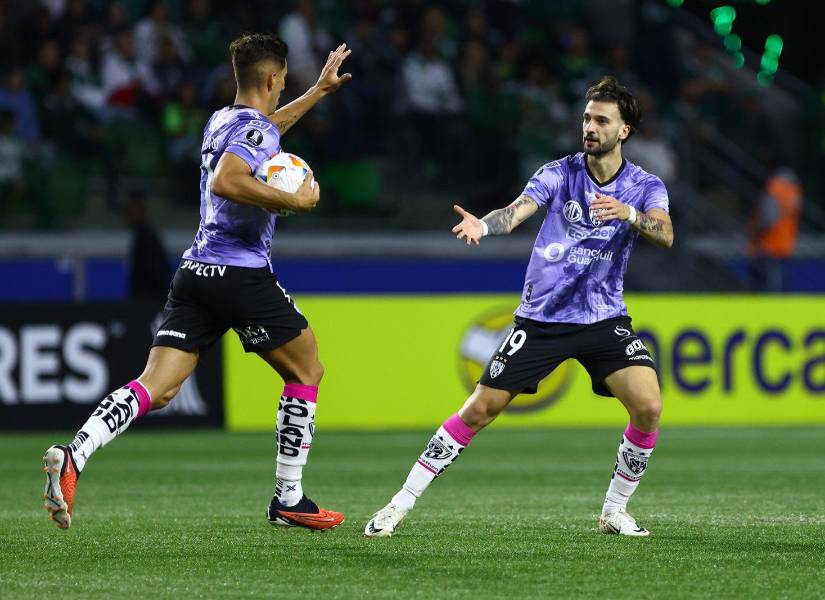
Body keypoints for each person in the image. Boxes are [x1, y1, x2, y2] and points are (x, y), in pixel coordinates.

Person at [42, 33, 353, 531]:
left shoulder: (222, 120)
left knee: (157, 387)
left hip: (196, 273)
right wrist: (292, 200)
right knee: (307, 369)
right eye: (283, 83)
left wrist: (317, 92)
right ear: (273, 78)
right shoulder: (254, 131)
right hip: (241, 274)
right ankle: (289, 497)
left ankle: (75, 453)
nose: (282, 89)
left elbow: (265, 131)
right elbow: (227, 180)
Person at [365, 76, 674, 538]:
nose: (590, 127)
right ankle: (398, 504)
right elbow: (516, 211)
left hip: (604, 318)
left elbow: (665, 234)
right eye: (587, 118)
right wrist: (484, 226)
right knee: (478, 410)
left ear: (624, 130)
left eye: (602, 120)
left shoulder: (644, 185)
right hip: (542, 320)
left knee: (648, 406)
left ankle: (615, 510)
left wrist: (629, 213)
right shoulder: (559, 173)